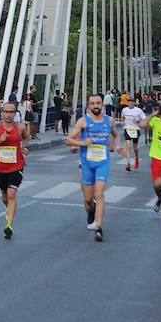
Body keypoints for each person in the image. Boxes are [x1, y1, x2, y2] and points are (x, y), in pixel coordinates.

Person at [66, 94, 123, 242]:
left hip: (103, 163)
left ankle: (99, 227)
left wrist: (117, 145)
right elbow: (69, 140)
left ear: (102, 105)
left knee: (100, 194)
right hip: (87, 164)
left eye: (98, 103)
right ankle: (91, 211)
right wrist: (83, 143)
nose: (95, 106)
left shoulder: (109, 121)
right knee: (88, 199)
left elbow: (116, 134)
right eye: (92, 103)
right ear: (89, 106)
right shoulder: (83, 121)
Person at [0, 102, 30, 239]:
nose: (8, 114)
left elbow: (26, 137)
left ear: (15, 113)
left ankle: (9, 225)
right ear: (2, 112)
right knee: (5, 196)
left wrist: (25, 147)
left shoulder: (20, 127)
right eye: (6, 112)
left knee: (11, 194)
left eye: (11, 112)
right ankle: (8, 208)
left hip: (17, 166)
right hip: (1, 168)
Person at [120, 97, 146, 172]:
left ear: (134, 103)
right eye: (129, 102)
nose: (130, 103)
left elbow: (144, 119)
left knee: (135, 147)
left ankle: (137, 158)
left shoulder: (138, 110)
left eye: (132, 102)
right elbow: (122, 117)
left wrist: (138, 121)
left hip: (135, 129)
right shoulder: (124, 110)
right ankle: (128, 163)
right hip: (127, 128)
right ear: (127, 103)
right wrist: (122, 122)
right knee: (128, 146)